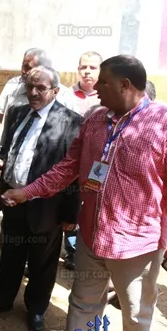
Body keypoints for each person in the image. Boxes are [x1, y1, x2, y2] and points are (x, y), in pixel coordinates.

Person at [2, 55, 167, 331]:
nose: (95, 88)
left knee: (136, 312)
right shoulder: (95, 119)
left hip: (137, 243)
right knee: (83, 301)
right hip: (92, 235)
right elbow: (68, 167)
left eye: (103, 82)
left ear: (125, 85)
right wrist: (26, 192)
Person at [0, 66, 81, 331]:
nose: (33, 93)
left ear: (55, 91)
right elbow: (10, 148)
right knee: (10, 255)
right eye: (29, 87)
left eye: (40, 88)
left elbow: (74, 173)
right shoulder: (18, 112)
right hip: (13, 200)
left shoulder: (71, 122)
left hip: (47, 207)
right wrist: (0, 160)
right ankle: (2, 300)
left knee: (42, 263)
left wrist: (70, 215)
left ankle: (35, 309)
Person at [63, 51, 103, 271]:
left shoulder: (105, 97)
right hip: (70, 160)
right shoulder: (66, 95)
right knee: (69, 203)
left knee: (89, 203)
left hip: (97, 165)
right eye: (83, 67)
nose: (87, 71)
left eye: (92, 67)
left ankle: (85, 249)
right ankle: (71, 249)